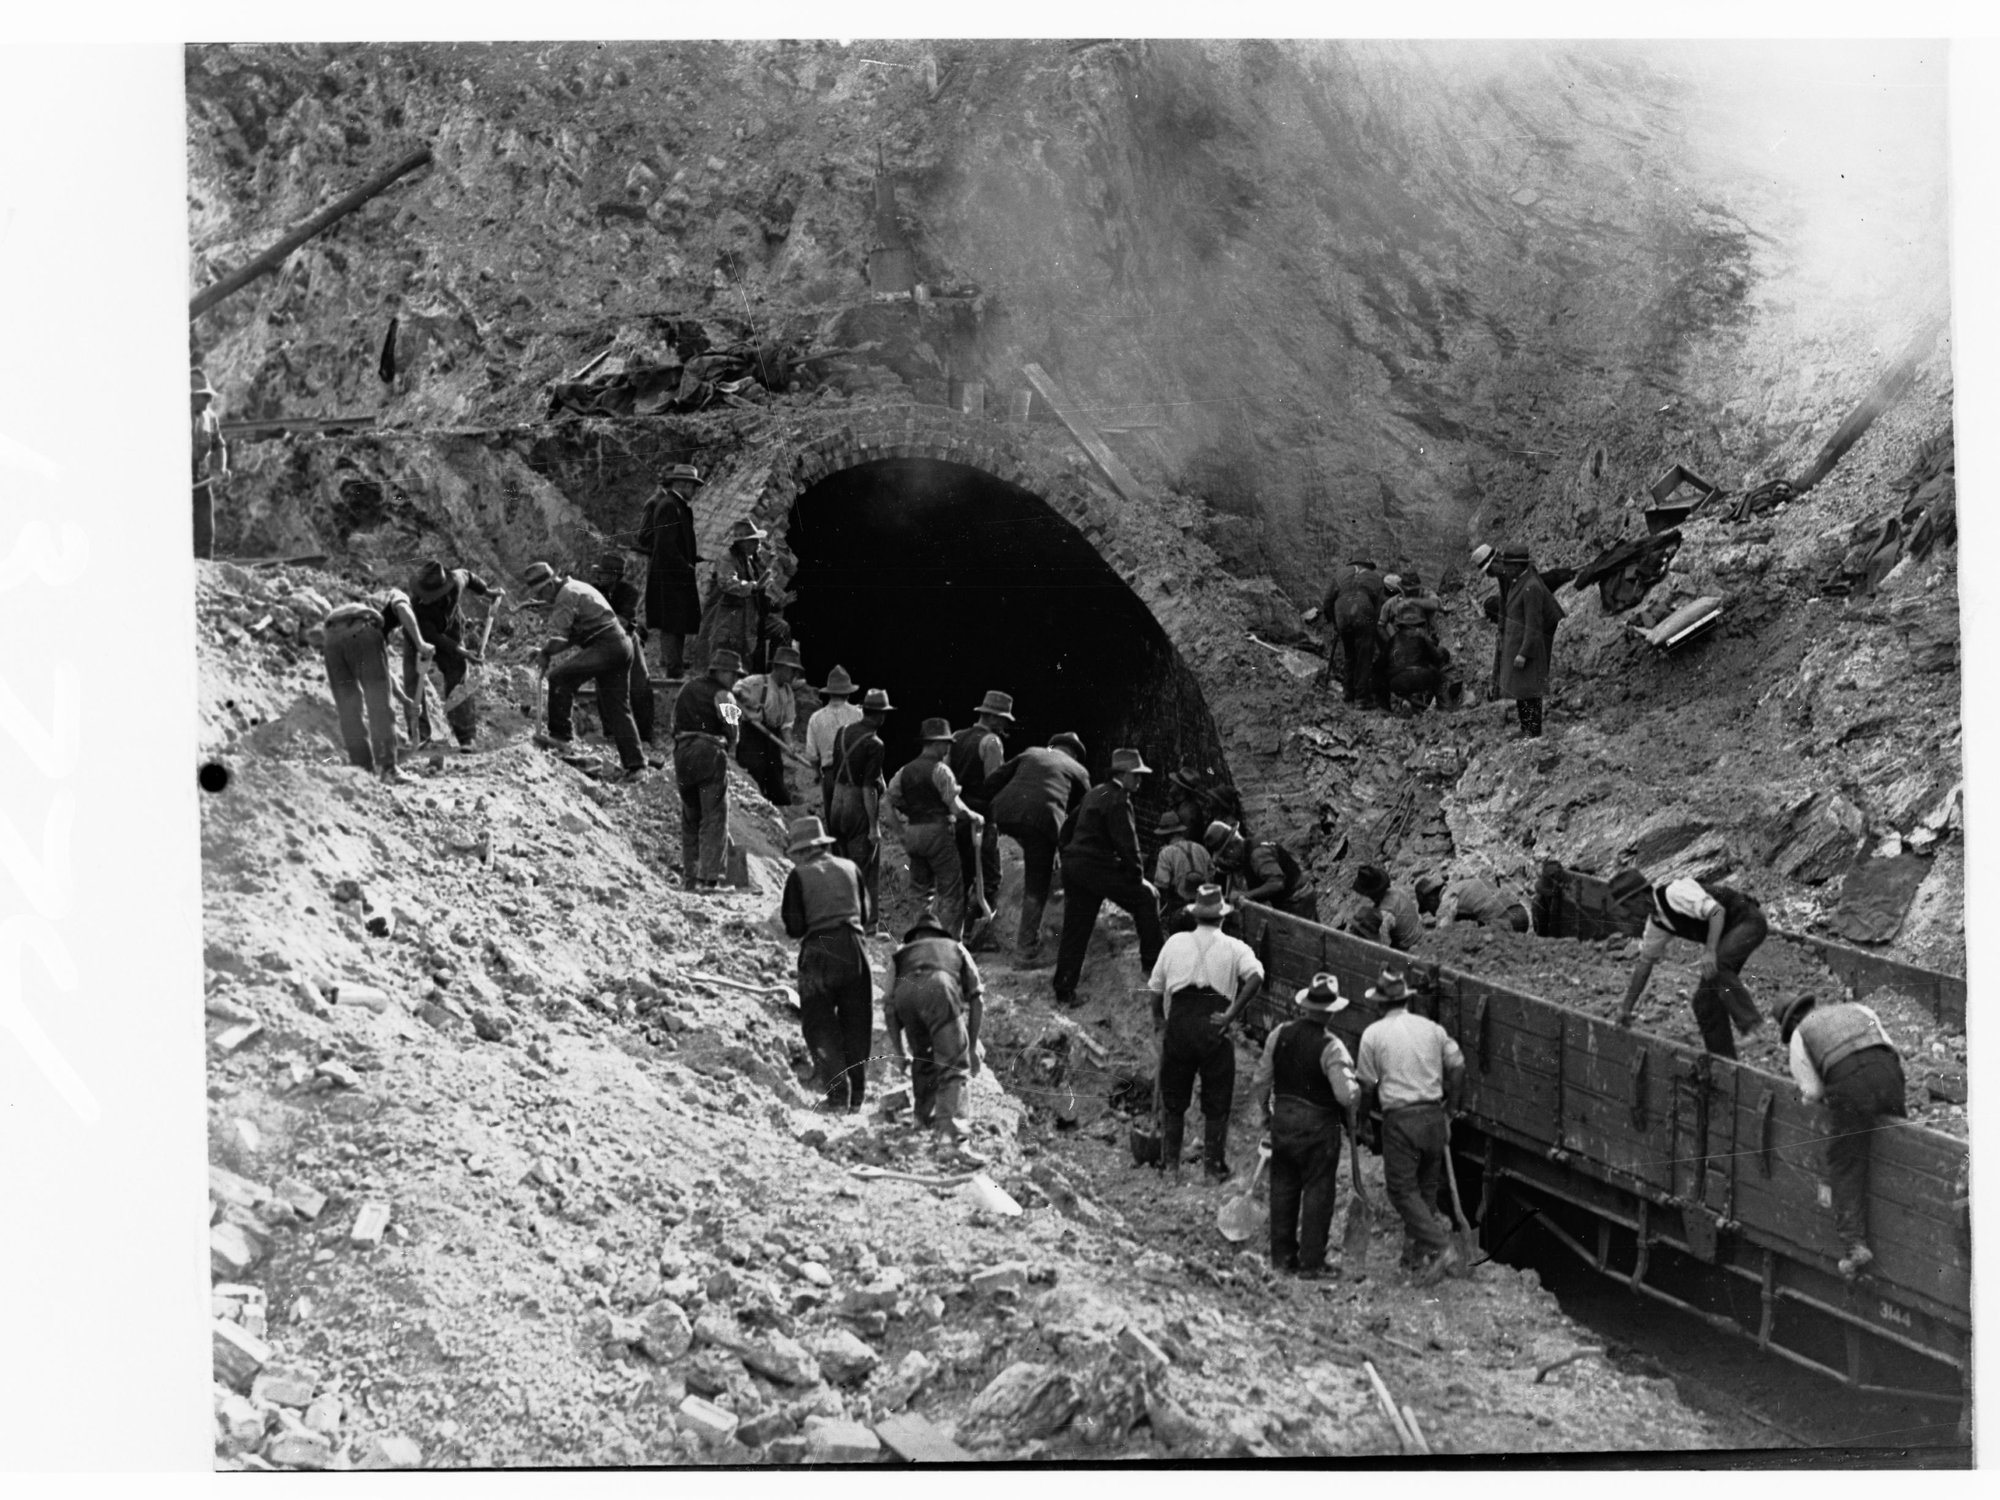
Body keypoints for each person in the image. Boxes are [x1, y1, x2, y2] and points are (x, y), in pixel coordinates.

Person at [1777, 993, 1907, 1279]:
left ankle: (1854, 1246)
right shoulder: (1857, 1008)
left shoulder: (1802, 1033)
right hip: (1889, 1074)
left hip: (1851, 1088)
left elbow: (1812, 1092)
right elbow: (1891, 1048)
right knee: (1899, 1145)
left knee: (1845, 1161)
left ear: (1791, 1023)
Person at [1146, 884, 1265, 1183]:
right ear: (1222, 917)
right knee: (1217, 1098)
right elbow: (1257, 976)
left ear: (1196, 915)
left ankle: (1170, 1167)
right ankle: (1212, 1169)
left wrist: (1160, 1020)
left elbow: (1155, 987)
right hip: (1215, 1024)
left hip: (1181, 1023)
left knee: (1173, 1097)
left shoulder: (1174, 943)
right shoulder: (1236, 947)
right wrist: (1231, 1014)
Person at [1354, 966, 1466, 1282]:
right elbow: (1458, 1068)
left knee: (1402, 1190)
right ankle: (1414, 1257)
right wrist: (1452, 1109)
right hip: (1433, 1116)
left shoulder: (1373, 1035)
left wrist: (1363, 1121)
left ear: (1379, 1004)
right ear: (1405, 1000)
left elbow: (1365, 1085)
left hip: (1401, 1120)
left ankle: (1441, 1247)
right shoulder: (1431, 1028)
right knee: (1425, 1189)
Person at [1250, 973, 1359, 1276]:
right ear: (1332, 1011)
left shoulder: (1279, 1034)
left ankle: (1282, 1259)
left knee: (1282, 1188)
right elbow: (1344, 1094)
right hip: (1318, 1130)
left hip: (1283, 1122)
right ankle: (1311, 1263)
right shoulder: (1332, 1047)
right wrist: (1356, 1092)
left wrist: (1266, 1114)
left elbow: (1261, 1079)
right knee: (1318, 1191)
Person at [1051, 748, 1166, 1010]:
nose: (1139, 781)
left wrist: (1067, 854)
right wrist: (1137, 876)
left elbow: (1067, 827)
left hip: (1076, 867)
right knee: (1146, 898)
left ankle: (1064, 991)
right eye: (1136, 775)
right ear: (1122, 774)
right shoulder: (1118, 799)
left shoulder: (1095, 792)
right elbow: (1127, 843)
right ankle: (1152, 967)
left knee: (1075, 929)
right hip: (1096, 867)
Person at [778, 815, 873, 1110]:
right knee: (857, 1022)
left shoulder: (800, 876)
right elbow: (866, 915)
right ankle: (857, 1096)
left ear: (803, 851)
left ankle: (836, 1094)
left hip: (819, 951)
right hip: (855, 948)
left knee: (819, 1023)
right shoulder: (851, 868)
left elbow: (794, 927)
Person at [1617, 875, 1768, 1058]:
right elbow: (1644, 964)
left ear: (1639, 898)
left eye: (1627, 906)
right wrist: (1626, 1008)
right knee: (1704, 1002)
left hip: (1748, 921)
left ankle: (1752, 1026)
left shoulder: (1674, 893)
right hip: (1728, 935)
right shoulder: (1657, 923)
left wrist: (1710, 951)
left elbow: (1716, 911)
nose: (1628, 913)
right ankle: (1724, 1062)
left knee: (1718, 964)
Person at [522, 561, 646, 781]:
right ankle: (636, 766)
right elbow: (571, 636)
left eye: (542, 592)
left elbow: (560, 638)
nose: (544, 598)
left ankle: (561, 738)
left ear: (550, 584)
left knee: (559, 678)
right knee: (618, 707)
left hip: (607, 645)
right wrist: (545, 650)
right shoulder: (576, 588)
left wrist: (546, 653)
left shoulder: (566, 595)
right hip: (621, 645)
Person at [983, 731, 1092, 965]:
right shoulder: (1078, 770)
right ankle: (1025, 948)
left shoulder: (1031, 752)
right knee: (1037, 885)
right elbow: (1084, 814)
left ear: (1052, 746)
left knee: (987, 867)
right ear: (1074, 753)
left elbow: (992, 781)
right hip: (1042, 821)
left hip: (1001, 811)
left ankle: (973, 929)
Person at [883, 916, 985, 1140]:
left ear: (915, 937)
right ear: (940, 935)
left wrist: (899, 1052)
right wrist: (971, 1046)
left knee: (924, 1059)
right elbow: (977, 998)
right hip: (939, 988)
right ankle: (952, 1134)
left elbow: (889, 1006)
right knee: (954, 1065)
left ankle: (923, 1121)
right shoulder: (955, 947)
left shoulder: (901, 954)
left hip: (906, 994)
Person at [320, 586, 432, 783]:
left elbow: (383, 673)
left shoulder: (369, 601)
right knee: (378, 704)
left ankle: (361, 770)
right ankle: (389, 769)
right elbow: (404, 609)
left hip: (331, 639)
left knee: (348, 708)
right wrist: (421, 643)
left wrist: (404, 700)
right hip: (362, 631)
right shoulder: (396, 595)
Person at [887, 718, 984, 940]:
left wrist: (901, 833)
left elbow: (887, 802)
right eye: (946, 743)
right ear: (936, 743)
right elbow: (956, 807)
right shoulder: (941, 771)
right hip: (937, 833)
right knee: (951, 890)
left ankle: (920, 939)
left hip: (913, 832)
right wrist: (974, 816)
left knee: (920, 891)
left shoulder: (904, 771)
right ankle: (949, 941)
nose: (948, 748)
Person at [406, 560, 502, 751]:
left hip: (451, 629)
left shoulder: (455, 581)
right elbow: (432, 636)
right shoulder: (416, 607)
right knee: (413, 678)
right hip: (418, 634)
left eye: (430, 596)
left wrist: (489, 593)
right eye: (422, 595)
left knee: (457, 676)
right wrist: (463, 651)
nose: (424, 599)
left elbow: (469, 575)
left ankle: (466, 738)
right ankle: (421, 736)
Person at [672, 647, 744, 889]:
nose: (735, 680)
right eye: (734, 675)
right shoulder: (725, 696)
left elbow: (675, 723)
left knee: (690, 818)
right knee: (713, 817)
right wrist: (728, 743)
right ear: (722, 672)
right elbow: (733, 732)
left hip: (682, 754)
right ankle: (710, 880)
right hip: (709, 752)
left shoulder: (687, 687)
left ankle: (691, 879)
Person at [949, 690, 1015, 932]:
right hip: (982, 817)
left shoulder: (956, 737)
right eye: (1004, 720)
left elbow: (946, 777)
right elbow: (993, 783)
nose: (1006, 725)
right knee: (989, 877)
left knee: (962, 875)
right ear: (994, 718)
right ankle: (980, 932)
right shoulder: (991, 743)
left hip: (958, 814)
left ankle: (956, 931)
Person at [828, 688, 892, 930]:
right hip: (857, 804)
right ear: (881, 716)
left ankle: (842, 918)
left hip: (837, 799)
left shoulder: (842, 733)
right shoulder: (875, 744)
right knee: (866, 866)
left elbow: (836, 770)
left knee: (842, 861)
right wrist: (874, 826)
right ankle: (867, 925)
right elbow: (869, 788)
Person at [1489, 544, 1565, 738]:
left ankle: (1533, 730)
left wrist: (1524, 652)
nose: (1507, 569)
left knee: (1530, 690)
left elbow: (1534, 625)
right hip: (1518, 642)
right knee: (1523, 690)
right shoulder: (1518, 582)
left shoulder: (1531, 587)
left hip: (1527, 646)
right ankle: (1527, 728)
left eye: (1510, 566)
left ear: (1519, 566)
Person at [635, 463, 702, 677]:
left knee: (678, 620)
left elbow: (675, 542)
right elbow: (665, 545)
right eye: (691, 486)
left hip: (675, 573)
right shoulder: (668, 506)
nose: (694, 491)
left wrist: (691, 558)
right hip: (670, 575)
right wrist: (684, 565)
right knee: (672, 622)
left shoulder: (677, 505)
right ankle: (672, 667)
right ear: (681, 484)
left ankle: (675, 663)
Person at [698, 518, 788, 673]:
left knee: (780, 628)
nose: (757, 544)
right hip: (731, 617)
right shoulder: (728, 558)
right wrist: (753, 586)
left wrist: (776, 603)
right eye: (754, 541)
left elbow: (763, 591)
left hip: (751, 616)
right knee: (733, 656)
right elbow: (727, 582)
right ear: (743, 543)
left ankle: (774, 673)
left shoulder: (752, 561)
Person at [585, 553, 655, 744]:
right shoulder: (594, 590)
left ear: (615, 576)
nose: (599, 577)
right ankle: (610, 732)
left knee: (639, 683)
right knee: (604, 684)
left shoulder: (629, 592)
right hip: (603, 641)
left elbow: (623, 621)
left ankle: (645, 734)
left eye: (604, 574)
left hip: (627, 639)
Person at [732, 644, 803, 806]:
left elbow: (786, 725)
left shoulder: (787, 692)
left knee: (776, 781)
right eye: (793, 671)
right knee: (754, 771)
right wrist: (747, 709)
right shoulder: (757, 682)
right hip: (752, 736)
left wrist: (789, 744)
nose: (794, 675)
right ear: (782, 668)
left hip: (772, 738)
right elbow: (731, 692)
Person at [1205, 821, 1315, 919]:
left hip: (1297, 899)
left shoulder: (1258, 855)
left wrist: (1246, 895)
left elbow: (1277, 883)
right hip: (1288, 900)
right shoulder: (1246, 852)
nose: (1227, 859)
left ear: (1231, 849)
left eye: (1225, 855)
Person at [1378, 578, 1452, 710]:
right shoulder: (1422, 636)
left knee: (1379, 680)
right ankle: (1446, 711)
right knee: (1440, 680)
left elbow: (1381, 665)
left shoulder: (1393, 640)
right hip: (1423, 676)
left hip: (1398, 682)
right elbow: (1437, 657)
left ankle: (1385, 710)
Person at [1326, 558, 1389, 707]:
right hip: (1364, 611)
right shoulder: (1375, 578)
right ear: (1369, 566)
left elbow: (1328, 600)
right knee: (1364, 655)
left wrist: (1334, 622)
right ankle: (1362, 697)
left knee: (1350, 653)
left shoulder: (1339, 574)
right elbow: (1380, 607)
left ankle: (1347, 693)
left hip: (1341, 612)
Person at [804, 665, 862, 822]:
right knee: (855, 824)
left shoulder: (816, 718)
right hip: (853, 775)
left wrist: (818, 773)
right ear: (848, 693)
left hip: (829, 775)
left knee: (834, 825)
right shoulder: (858, 715)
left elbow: (811, 755)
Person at [1153, 810, 1214, 934]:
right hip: (1204, 905)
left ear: (1165, 835)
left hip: (1179, 907)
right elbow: (1212, 873)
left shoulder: (1166, 853)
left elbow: (1162, 884)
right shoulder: (1200, 848)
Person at [191, 368, 230, 559]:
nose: (209, 400)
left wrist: (220, 469)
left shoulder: (210, 418)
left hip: (201, 483)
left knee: (205, 536)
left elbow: (219, 445)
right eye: (205, 396)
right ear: (190, 396)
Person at [1347, 864, 1422, 950]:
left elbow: (1383, 946)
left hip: (1408, 942)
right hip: (1416, 928)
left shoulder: (1385, 914)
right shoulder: (1395, 890)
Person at [1436, 869, 1532, 933]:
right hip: (1521, 913)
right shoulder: (1468, 884)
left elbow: (1444, 928)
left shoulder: (1449, 893)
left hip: (1504, 918)